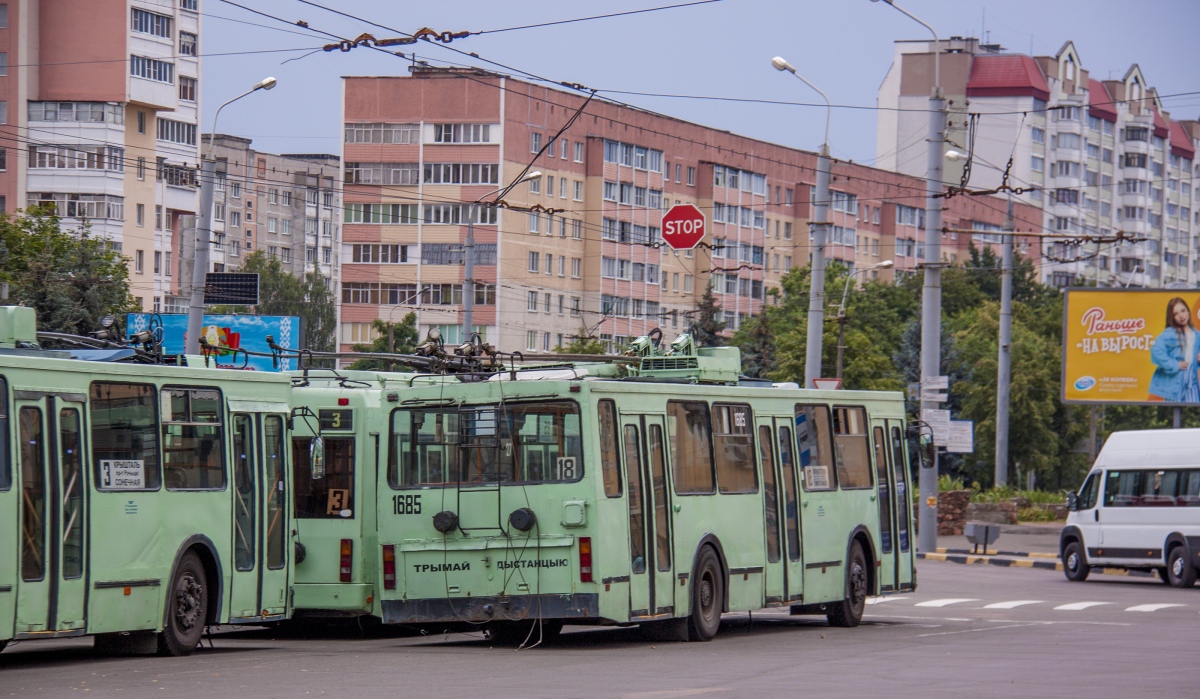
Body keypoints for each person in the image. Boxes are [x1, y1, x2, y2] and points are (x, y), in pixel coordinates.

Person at [1148, 297, 1200, 402]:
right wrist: (1174, 364)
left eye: (1183, 311)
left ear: (1188, 311)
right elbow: (1155, 351)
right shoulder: (1170, 333)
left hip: (1192, 381)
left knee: (1193, 408)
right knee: (1175, 409)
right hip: (1175, 383)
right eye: (1176, 314)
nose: (1181, 316)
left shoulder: (1197, 334)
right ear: (1172, 318)